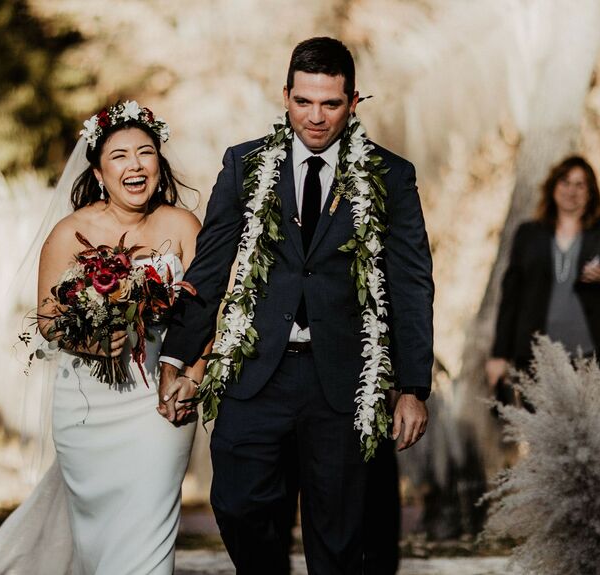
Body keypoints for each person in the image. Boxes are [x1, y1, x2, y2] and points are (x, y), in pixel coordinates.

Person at [158, 37, 434, 575]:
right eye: (304, 101)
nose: (316, 116)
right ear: (285, 96)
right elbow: (210, 266)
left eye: (331, 103)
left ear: (354, 102)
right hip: (256, 371)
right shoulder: (245, 164)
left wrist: (412, 386)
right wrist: (176, 356)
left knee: (337, 537)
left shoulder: (391, 176)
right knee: (236, 506)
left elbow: (411, 283)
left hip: (345, 379)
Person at [0, 101, 203, 575]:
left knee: (150, 525)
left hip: (159, 399)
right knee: (100, 534)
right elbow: (48, 318)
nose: (135, 165)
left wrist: (195, 377)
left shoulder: (182, 225)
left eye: (145, 153)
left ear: (159, 163)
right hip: (87, 405)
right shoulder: (70, 233)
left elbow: (210, 311)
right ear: (99, 171)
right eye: (120, 156)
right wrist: (90, 342)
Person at [487, 155, 600, 392]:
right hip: (537, 359)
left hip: (599, 360)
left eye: (580, 184)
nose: (571, 190)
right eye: (565, 182)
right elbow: (510, 298)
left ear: (590, 192)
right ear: (553, 187)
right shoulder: (528, 234)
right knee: (543, 429)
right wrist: (499, 354)